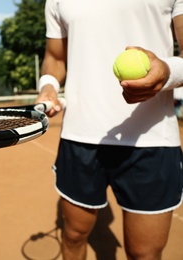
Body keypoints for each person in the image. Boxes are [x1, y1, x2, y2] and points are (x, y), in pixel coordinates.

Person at [36, 1, 183, 259]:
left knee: (144, 253)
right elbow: (55, 57)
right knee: (73, 235)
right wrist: (48, 85)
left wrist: (167, 73)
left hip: (152, 140)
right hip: (78, 137)